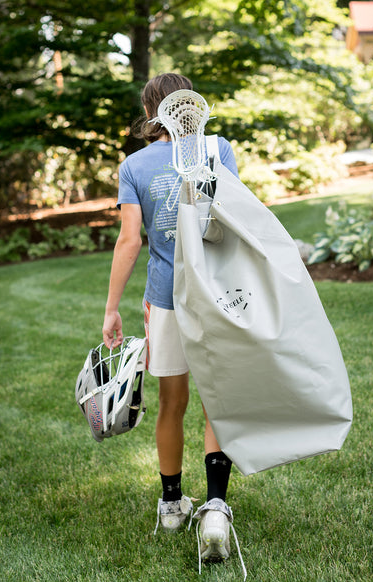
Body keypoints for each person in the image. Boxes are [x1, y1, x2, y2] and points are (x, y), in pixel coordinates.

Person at [102, 73, 240, 565]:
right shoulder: (218, 149)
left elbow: (130, 240)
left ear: (149, 111)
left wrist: (112, 307)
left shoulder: (134, 165)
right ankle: (216, 508)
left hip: (164, 300)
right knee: (216, 401)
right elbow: (234, 219)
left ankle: (171, 506)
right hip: (217, 294)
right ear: (190, 105)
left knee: (171, 403)